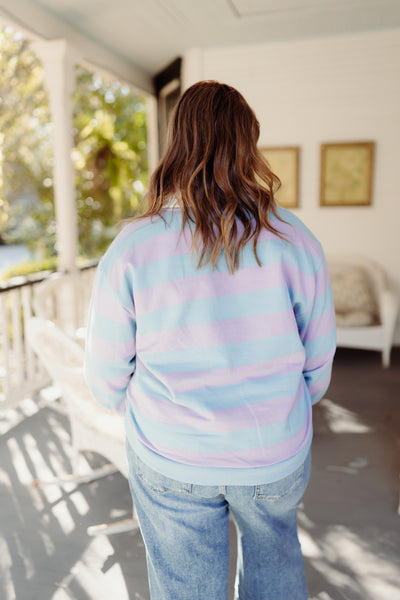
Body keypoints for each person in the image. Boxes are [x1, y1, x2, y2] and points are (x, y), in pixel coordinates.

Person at [85, 80, 336, 600]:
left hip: (171, 449)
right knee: (276, 565)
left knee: (185, 590)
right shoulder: (295, 238)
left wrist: (121, 402)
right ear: (248, 143)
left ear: (178, 142)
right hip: (273, 449)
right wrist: (286, 406)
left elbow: (106, 374)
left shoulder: (134, 246)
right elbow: (318, 360)